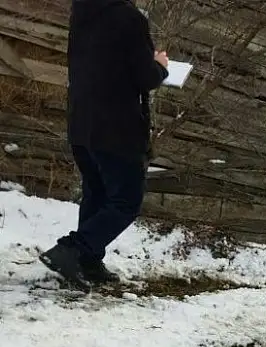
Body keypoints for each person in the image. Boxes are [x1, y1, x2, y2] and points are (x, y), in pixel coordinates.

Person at [39, 0, 169, 290]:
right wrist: (160, 66)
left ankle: (88, 261)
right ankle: (72, 249)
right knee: (125, 201)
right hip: (116, 127)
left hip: (81, 123)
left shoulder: (82, 11)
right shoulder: (129, 18)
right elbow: (145, 77)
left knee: (96, 193)